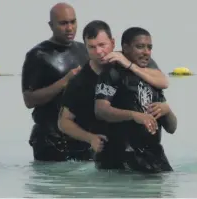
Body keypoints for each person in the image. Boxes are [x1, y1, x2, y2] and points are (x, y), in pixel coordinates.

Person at [58, 20, 170, 159]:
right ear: (85, 48)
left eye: (102, 45)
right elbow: (64, 122)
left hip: (137, 148)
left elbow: (163, 81)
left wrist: (129, 65)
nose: (99, 52)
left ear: (112, 42)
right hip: (104, 148)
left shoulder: (131, 58)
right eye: (92, 47)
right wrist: (89, 138)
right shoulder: (79, 81)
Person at [94, 27, 177, 172]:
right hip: (120, 159)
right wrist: (133, 115)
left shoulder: (152, 78)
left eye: (149, 47)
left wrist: (167, 110)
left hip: (153, 158)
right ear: (125, 48)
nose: (146, 52)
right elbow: (101, 110)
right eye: (140, 47)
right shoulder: (112, 72)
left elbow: (171, 128)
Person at [21, 2, 90, 161]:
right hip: (50, 140)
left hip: (82, 139)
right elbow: (29, 100)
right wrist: (65, 81)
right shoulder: (38, 55)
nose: (70, 28)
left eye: (73, 22)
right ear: (51, 25)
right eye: (63, 23)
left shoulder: (84, 50)